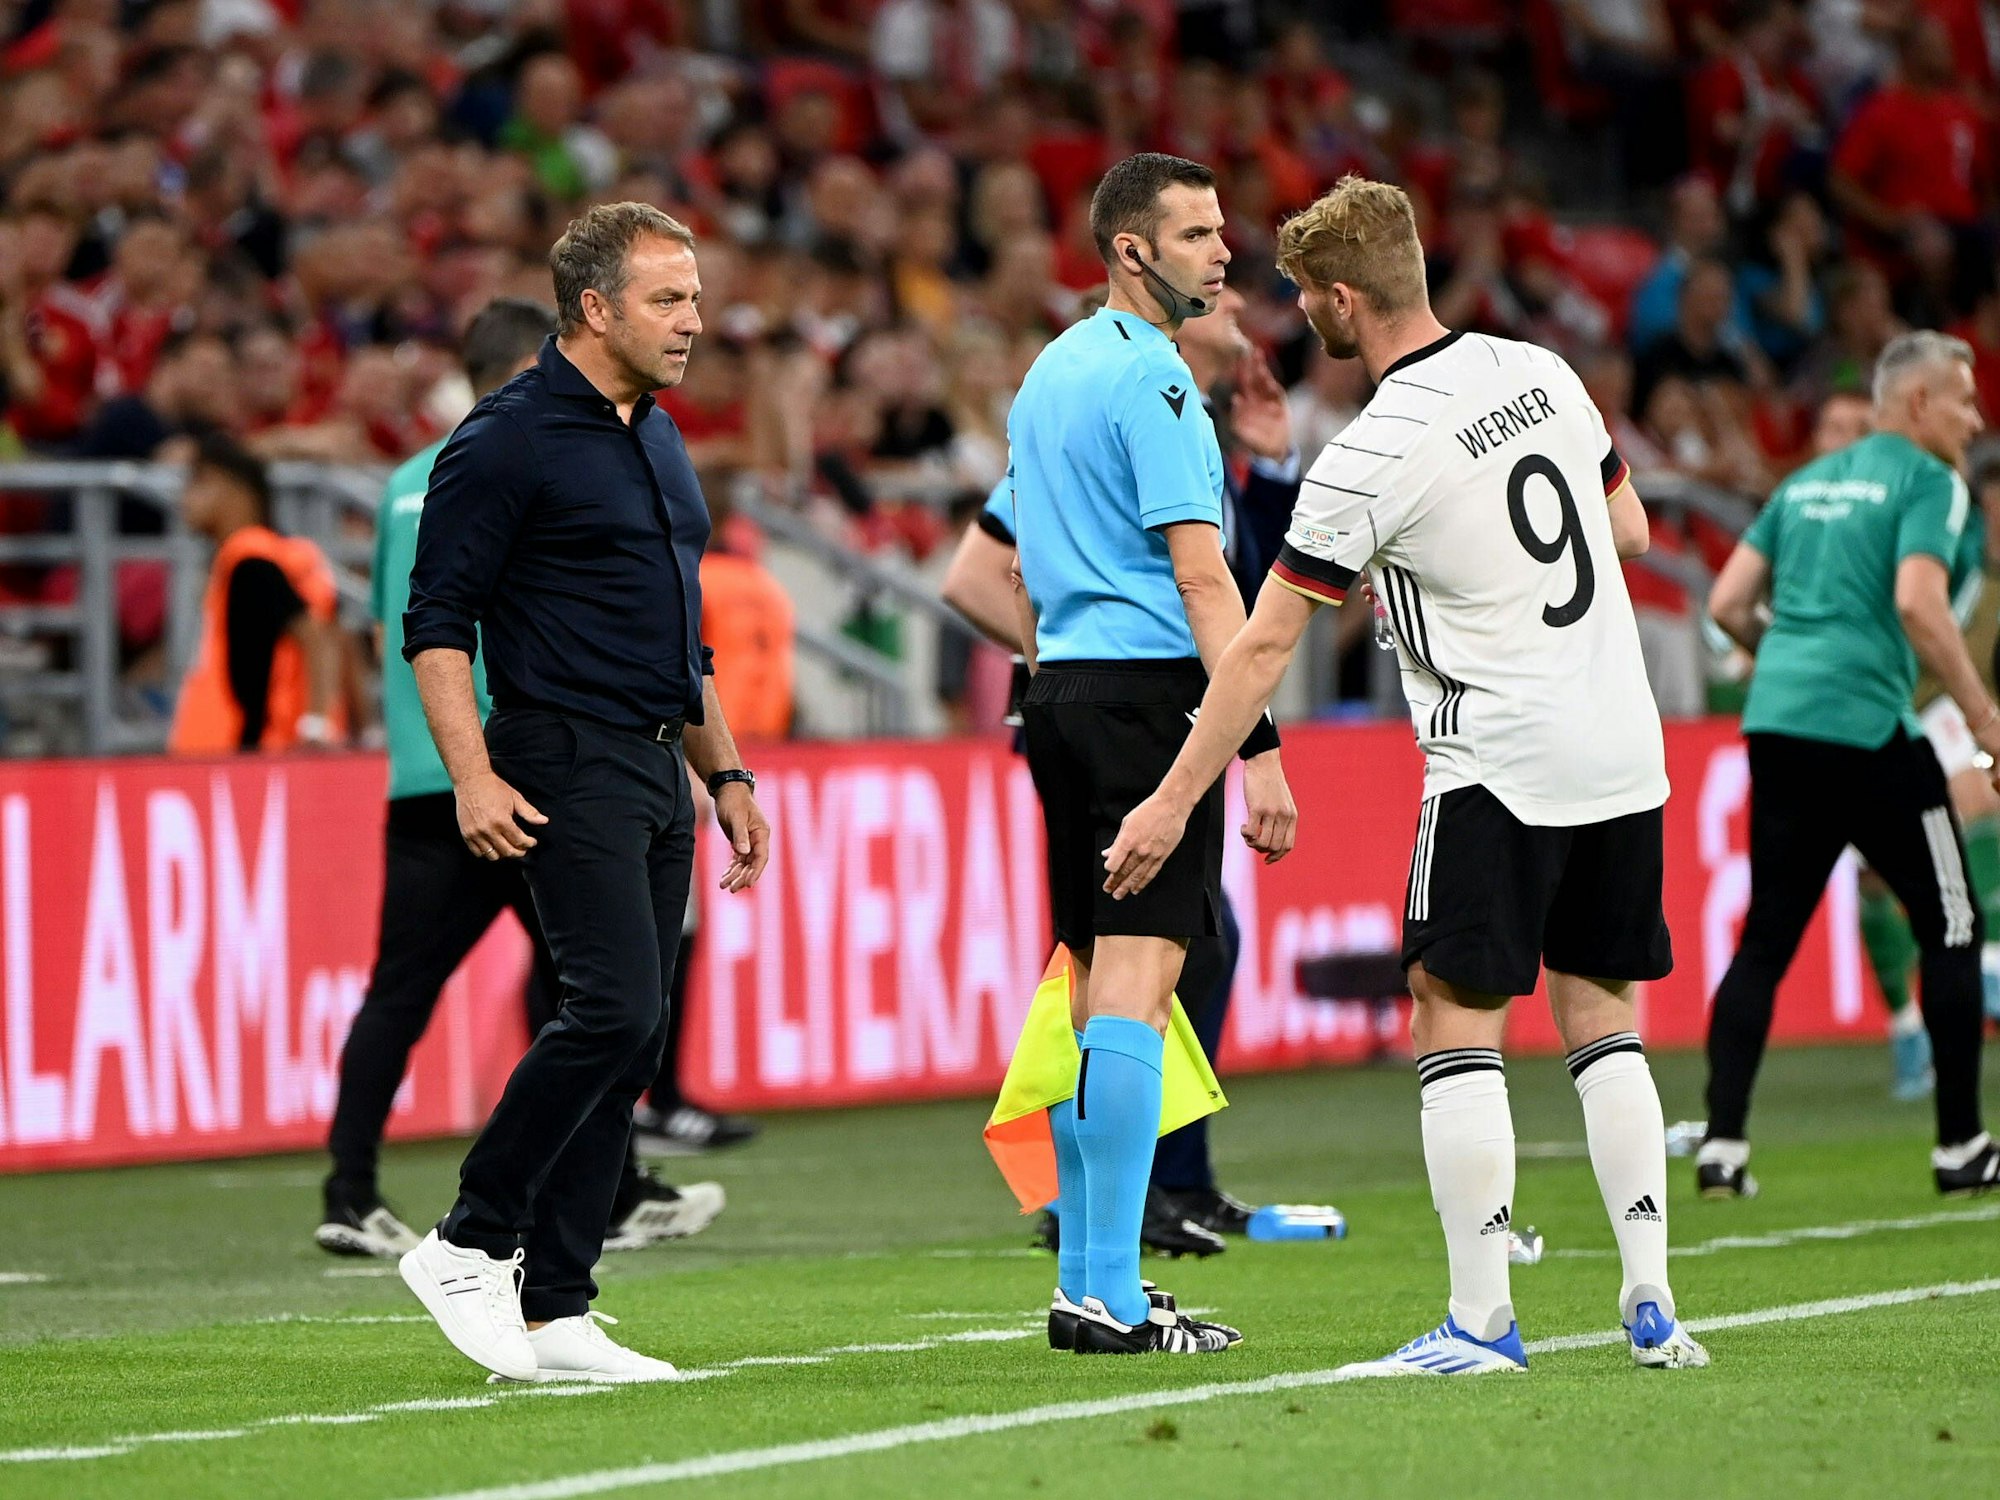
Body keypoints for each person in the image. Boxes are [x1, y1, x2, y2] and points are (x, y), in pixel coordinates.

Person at [1105, 176, 1708, 1375]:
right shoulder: (1539, 370)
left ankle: (1481, 1320)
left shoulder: (1370, 451)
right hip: (1619, 744)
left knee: (1450, 1017)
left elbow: (1261, 647)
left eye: (1303, 297)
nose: (1299, 316)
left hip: (1496, 760)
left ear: (1342, 299)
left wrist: (1171, 799)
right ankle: (1650, 1298)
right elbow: (1629, 532)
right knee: (1601, 1017)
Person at [397, 203, 772, 1386]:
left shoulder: (655, 435)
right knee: (608, 1009)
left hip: (656, 761)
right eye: (668, 299)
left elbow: (679, 634)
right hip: (560, 752)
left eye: (695, 296)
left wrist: (723, 771)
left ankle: (558, 1304)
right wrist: (472, 775)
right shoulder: (504, 438)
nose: (693, 320)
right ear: (595, 308)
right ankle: (467, 1241)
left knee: (635, 1029)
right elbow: (435, 622)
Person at [317, 298, 722, 1260]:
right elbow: (470, 623)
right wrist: (487, 760)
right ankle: (528, 1214)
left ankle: (351, 1189)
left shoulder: (406, 481)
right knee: (604, 996)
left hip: (429, 773)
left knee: (417, 992)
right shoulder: (529, 455)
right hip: (528, 764)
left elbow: (388, 628)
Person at [940, 283, 1303, 1258]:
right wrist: (1060, 655)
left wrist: (1271, 469)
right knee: (1135, 967)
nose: (1231, 291)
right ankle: (1116, 1218)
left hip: (1127, 701)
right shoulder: (1115, 412)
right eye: (1209, 267)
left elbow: (1248, 584)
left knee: (1144, 962)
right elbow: (982, 572)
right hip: (1132, 705)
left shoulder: (1178, 424)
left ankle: (1150, 1196)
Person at [1006, 151, 1296, 1356]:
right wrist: (1257, 745)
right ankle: (1110, 1295)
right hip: (1144, 697)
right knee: (1135, 992)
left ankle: (1088, 1282)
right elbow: (1202, 578)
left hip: (1058, 691)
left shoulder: (1047, 371)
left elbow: (1017, 565)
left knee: (1090, 995)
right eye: (1194, 235)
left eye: (1219, 231)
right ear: (1131, 251)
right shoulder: (1158, 379)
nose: (1222, 253)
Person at [1702, 331, 1999, 1200]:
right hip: (1869, 729)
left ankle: (1723, 1147)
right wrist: (1984, 715)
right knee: (1951, 922)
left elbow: (1728, 602)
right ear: (1919, 403)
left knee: (1766, 940)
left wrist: (1791, 659)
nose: (1975, 419)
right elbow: (1919, 602)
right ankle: (1961, 1146)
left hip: (1779, 724)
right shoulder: (1930, 483)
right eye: (1964, 401)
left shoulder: (1803, 484)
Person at [167, 432, 343, 754]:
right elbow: (339, 638)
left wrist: (316, 727)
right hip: (245, 755)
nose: (185, 499)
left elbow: (316, 635)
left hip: (249, 755)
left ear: (238, 491)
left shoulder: (252, 563)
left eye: (199, 482)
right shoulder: (267, 557)